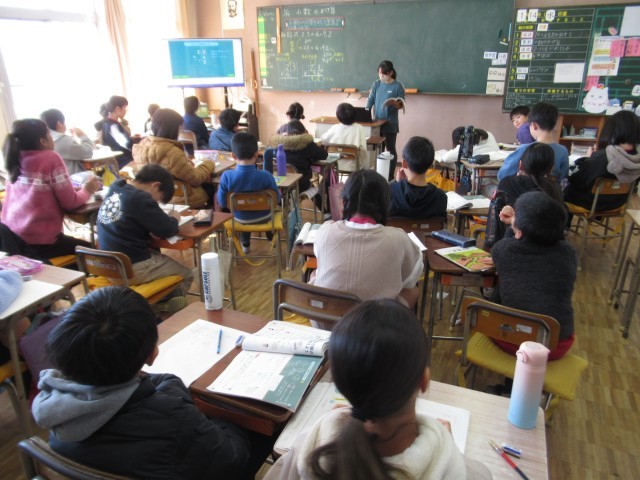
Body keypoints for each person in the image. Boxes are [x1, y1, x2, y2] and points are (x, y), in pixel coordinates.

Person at [32, 286, 265, 479]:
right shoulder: (173, 418)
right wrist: (225, 419)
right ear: (152, 354)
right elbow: (232, 460)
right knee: (266, 428)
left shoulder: (52, 400)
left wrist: (171, 386)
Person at [264, 299, 492, 480]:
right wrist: (448, 450)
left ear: (341, 385)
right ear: (424, 381)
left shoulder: (307, 452)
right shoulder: (467, 472)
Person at [312, 170, 423, 309]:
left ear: (344, 202)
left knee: (315, 273)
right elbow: (412, 276)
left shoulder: (325, 231)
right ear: (385, 204)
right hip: (374, 320)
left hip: (325, 317)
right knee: (412, 290)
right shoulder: (398, 238)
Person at [492, 191, 577, 360]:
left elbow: (504, 246)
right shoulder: (568, 253)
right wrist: (518, 224)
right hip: (557, 344)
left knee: (498, 290)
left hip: (512, 341)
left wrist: (512, 228)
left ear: (519, 232)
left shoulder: (504, 250)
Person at [96, 164, 193, 310]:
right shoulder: (140, 198)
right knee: (187, 274)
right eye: (158, 199)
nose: (156, 203)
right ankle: (155, 308)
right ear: (155, 186)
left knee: (157, 256)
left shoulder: (116, 188)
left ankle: (154, 304)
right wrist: (174, 217)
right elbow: (168, 229)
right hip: (130, 268)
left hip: (106, 266)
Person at [1, 119, 99, 259]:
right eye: (49, 134)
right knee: (94, 250)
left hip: (11, 238)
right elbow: (70, 203)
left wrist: (77, 190)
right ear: (43, 141)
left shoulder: (15, 156)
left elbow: (40, 192)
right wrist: (88, 190)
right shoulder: (50, 158)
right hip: (39, 242)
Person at [132, 108, 216, 208]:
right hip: (183, 199)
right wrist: (209, 163)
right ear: (174, 128)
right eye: (179, 127)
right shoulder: (172, 152)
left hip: (155, 199)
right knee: (211, 187)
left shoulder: (141, 147)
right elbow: (196, 178)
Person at [564, 110, 640, 211]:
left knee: (567, 190)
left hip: (591, 204)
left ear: (612, 130)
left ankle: (565, 221)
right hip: (618, 204)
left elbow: (576, 179)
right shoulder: (637, 159)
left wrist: (586, 159)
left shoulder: (604, 157)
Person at [217, 132, 280, 254]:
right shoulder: (266, 175)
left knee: (244, 212)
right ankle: (271, 237)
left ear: (233, 155)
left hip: (239, 219)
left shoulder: (226, 176)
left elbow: (222, 203)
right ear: (256, 154)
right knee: (267, 211)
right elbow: (276, 199)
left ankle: (245, 244)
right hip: (265, 218)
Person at [498, 102, 569, 182]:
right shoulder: (563, 150)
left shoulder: (524, 148)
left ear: (534, 126)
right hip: (551, 189)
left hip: (525, 189)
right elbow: (563, 178)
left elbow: (502, 175)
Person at [389, 136, 447, 219]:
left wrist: (397, 184)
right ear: (430, 165)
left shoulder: (389, 192)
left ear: (404, 163)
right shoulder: (440, 198)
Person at [270, 120, 328, 202]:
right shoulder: (307, 144)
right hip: (301, 183)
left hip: (281, 182)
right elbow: (324, 155)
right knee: (314, 188)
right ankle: (324, 210)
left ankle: (285, 204)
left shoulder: (279, 145)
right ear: (304, 132)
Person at [366, 60, 405, 180]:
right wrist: (366, 110)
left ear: (390, 73)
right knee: (378, 149)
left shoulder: (397, 86)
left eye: (383, 74)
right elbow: (370, 99)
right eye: (379, 73)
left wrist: (396, 104)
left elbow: (401, 104)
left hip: (390, 123)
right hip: (377, 123)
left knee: (390, 149)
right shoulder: (376, 84)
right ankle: (378, 175)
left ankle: (390, 176)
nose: (381, 76)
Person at [497, 142, 563, 209]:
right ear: (551, 169)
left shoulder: (507, 183)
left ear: (520, 165)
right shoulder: (556, 188)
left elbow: (498, 210)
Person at [40, 108, 94, 175]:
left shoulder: (43, 141)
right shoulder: (62, 140)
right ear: (59, 123)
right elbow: (88, 153)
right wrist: (82, 136)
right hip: (73, 178)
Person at [320, 102, 367, 168]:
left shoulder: (335, 127)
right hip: (353, 166)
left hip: (334, 165)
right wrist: (362, 165)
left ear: (338, 116)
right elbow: (363, 150)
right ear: (355, 114)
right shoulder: (359, 128)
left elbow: (323, 140)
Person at [101, 95, 140, 168]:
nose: (126, 111)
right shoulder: (112, 125)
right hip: (123, 161)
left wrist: (131, 138)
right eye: (125, 108)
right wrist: (140, 145)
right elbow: (126, 144)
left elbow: (118, 140)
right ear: (117, 109)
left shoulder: (108, 123)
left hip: (121, 160)